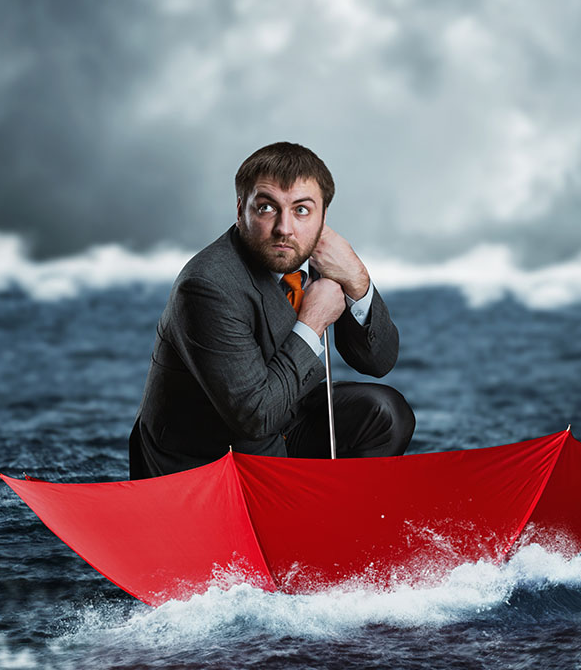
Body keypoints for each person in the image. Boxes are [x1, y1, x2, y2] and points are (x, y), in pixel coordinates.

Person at [128, 142, 415, 479]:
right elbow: (255, 416)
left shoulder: (319, 256)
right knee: (262, 441)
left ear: (323, 217)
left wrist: (356, 278)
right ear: (240, 211)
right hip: (207, 456)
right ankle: (299, 510)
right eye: (266, 208)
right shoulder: (206, 285)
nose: (285, 228)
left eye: (302, 210)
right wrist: (313, 322)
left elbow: (379, 361)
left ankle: (341, 513)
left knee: (385, 414)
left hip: (282, 421)